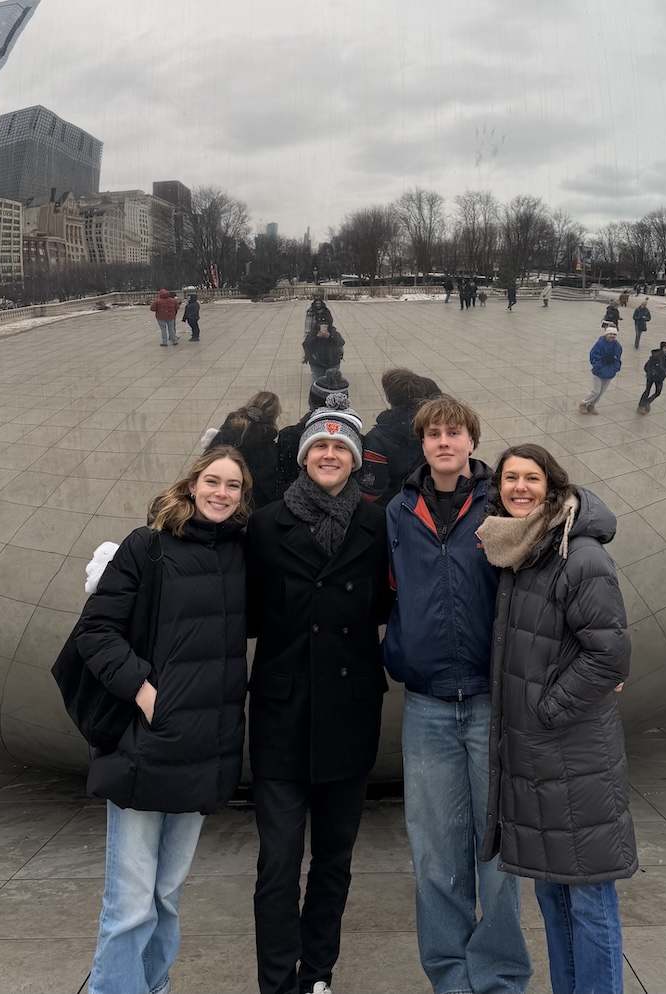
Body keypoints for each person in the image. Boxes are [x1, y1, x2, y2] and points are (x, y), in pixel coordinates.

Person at [77, 445, 251, 994]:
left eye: (234, 486)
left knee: (166, 896)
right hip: (146, 745)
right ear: (192, 484)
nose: (221, 493)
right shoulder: (148, 546)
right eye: (213, 481)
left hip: (206, 748)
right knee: (129, 902)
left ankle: (153, 987)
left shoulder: (241, 554)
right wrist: (143, 690)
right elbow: (95, 630)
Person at [383, 395, 532, 994]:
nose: (444, 442)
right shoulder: (398, 510)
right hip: (427, 705)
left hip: (493, 702)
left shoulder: (502, 502)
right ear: (422, 444)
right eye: (433, 434)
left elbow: (575, 526)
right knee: (436, 854)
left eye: (455, 433)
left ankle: (497, 977)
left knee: (498, 853)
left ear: (472, 441)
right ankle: (450, 976)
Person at [245, 393, 393, 994]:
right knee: (278, 865)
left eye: (341, 447)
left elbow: (389, 603)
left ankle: (318, 974)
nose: (330, 454)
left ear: (355, 460)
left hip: (350, 712)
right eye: (320, 446)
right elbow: (246, 611)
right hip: (282, 715)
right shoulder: (265, 524)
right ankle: (278, 983)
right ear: (304, 457)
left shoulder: (377, 523)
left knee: (334, 860)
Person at [477, 443, 637, 994]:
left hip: (573, 754)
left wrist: (547, 710)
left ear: (553, 485)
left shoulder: (579, 553)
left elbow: (609, 655)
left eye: (532, 478)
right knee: (551, 894)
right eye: (510, 479)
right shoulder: (522, 551)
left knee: (588, 897)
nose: (519, 488)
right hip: (540, 758)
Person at [357, 368, 441, 507]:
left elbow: (371, 490)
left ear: (389, 397)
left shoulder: (377, 438)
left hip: (394, 507)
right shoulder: (436, 426)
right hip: (430, 501)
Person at [276, 368, 351, 498]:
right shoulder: (356, 442)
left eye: (339, 447)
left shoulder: (289, 436)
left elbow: (283, 477)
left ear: (311, 402)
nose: (329, 455)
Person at [209, 391, 282, 509]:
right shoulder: (267, 448)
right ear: (273, 417)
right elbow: (266, 488)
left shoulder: (226, 431)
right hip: (243, 506)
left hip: (214, 495)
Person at [579, 323, 622, 415]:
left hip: (610, 372)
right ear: (606, 334)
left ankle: (592, 405)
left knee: (602, 391)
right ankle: (583, 403)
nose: (612, 336)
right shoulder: (600, 344)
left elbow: (618, 358)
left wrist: (615, 368)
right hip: (599, 371)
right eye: (610, 334)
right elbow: (594, 356)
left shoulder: (617, 345)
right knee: (596, 390)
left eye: (614, 334)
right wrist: (599, 367)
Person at [302, 301, 344, 380]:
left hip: (332, 362)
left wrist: (330, 336)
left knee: (332, 382)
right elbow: (306, 344)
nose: (323, 326)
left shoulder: (333, 332)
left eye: (325, 323)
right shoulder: (313, 333)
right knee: (320, 382)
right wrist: (316, 337)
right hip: (317, 363)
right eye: (321, 324)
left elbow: (341, 342)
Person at [637, 341, 666, 414]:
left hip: (660, 378)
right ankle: (641, 406)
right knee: (647, 390)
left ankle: (647, 402)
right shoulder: (655, 356)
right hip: (651, 377)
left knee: (658, 392)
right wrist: (650, 373)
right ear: (662, 348)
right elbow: (647, 366)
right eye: (665, 348)